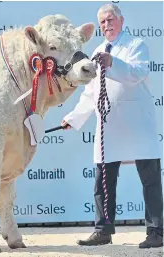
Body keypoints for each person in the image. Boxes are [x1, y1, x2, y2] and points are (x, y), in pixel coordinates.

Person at [61, 3, 163, 248]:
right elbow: (91, 93)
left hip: (138, 125)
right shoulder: (97, 51)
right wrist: (73, 118)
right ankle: (103, 230)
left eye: (110, 20)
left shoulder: (136, 45)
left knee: (150, 180)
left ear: (121, 20)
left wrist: (112, 62)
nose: (106, 25)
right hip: (109, 128)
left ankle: (157, 231)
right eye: (102, 22)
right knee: (103, 180)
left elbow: (137, 73)